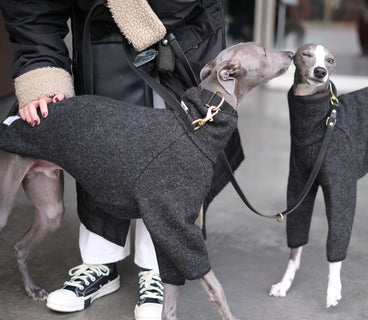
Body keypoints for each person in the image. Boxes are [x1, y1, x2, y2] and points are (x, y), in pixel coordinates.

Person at [0, 0, 243, 319]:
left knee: (173, 162)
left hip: (183, 35)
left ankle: (157, 268)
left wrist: (126, 7)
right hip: (101, 41)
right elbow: (31, 8)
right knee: (98, 147)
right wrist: (40, 69)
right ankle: (99, 261)